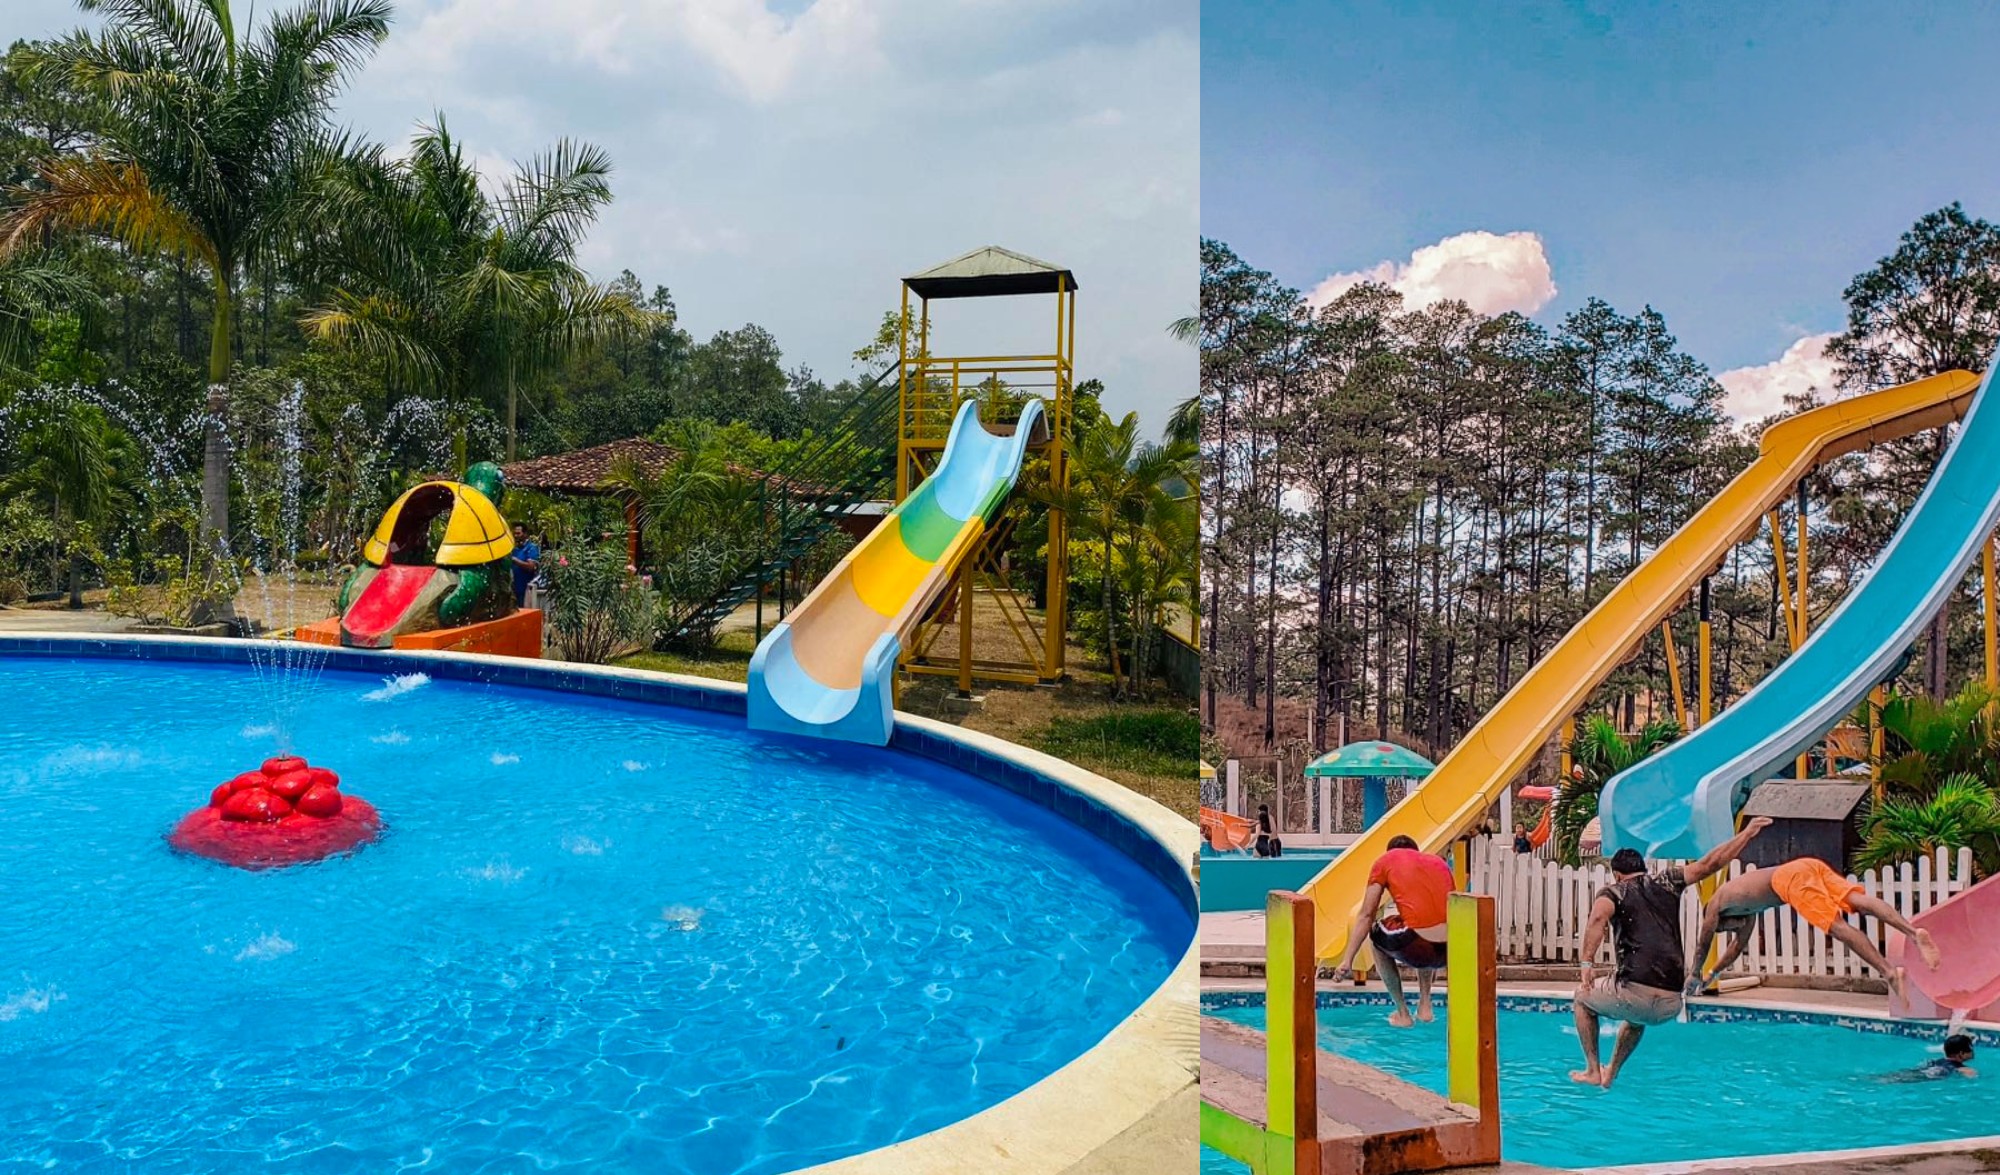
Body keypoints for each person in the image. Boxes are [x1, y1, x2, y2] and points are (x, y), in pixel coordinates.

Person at [1570, 817, 1772, 1090]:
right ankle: (1611, 1074)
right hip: (1671, 1005)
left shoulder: (1614, 892)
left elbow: (1597, 919)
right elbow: (1710, 863)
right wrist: (1747, 834)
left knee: (1582, 999)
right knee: (1635, 1020)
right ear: (1643, 869)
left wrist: (1586, 963)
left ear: (1617, 874)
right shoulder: (1668, 880)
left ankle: (1593, 1070)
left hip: (1633, 996)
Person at [1685, 855, 1941, 1003]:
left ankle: (1888, 973)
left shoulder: (1715, 905)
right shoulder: (1746, 911)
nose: (1730, 929)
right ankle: (1913, 932)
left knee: (1837, 927)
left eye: (1723, 929)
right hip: (1805, 865)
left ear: (1718, 920)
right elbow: (1736, 948)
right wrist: (1713, 975)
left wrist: (1696, 973)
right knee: (1857, 901)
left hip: (1790, 879)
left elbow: (1702, 944)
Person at [1330, 834, 1454, 1027]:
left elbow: (1366, 914)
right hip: (1448, 949)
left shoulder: (1385, 861)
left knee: (1377, 933)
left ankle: (1403, 1013)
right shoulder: (1437, 862)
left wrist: (1348, 960)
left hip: (1417, 945)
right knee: (1423, 923)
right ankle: (1425, 1005)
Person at [509, 524, 541, 607]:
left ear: (525, 534)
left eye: (518, 533)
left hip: (527, 590)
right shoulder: (515, 549)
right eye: (514, 533)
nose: (516, 536)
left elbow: (531, 567)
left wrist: (515, 560)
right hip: (515, 590)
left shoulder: (531, 548)